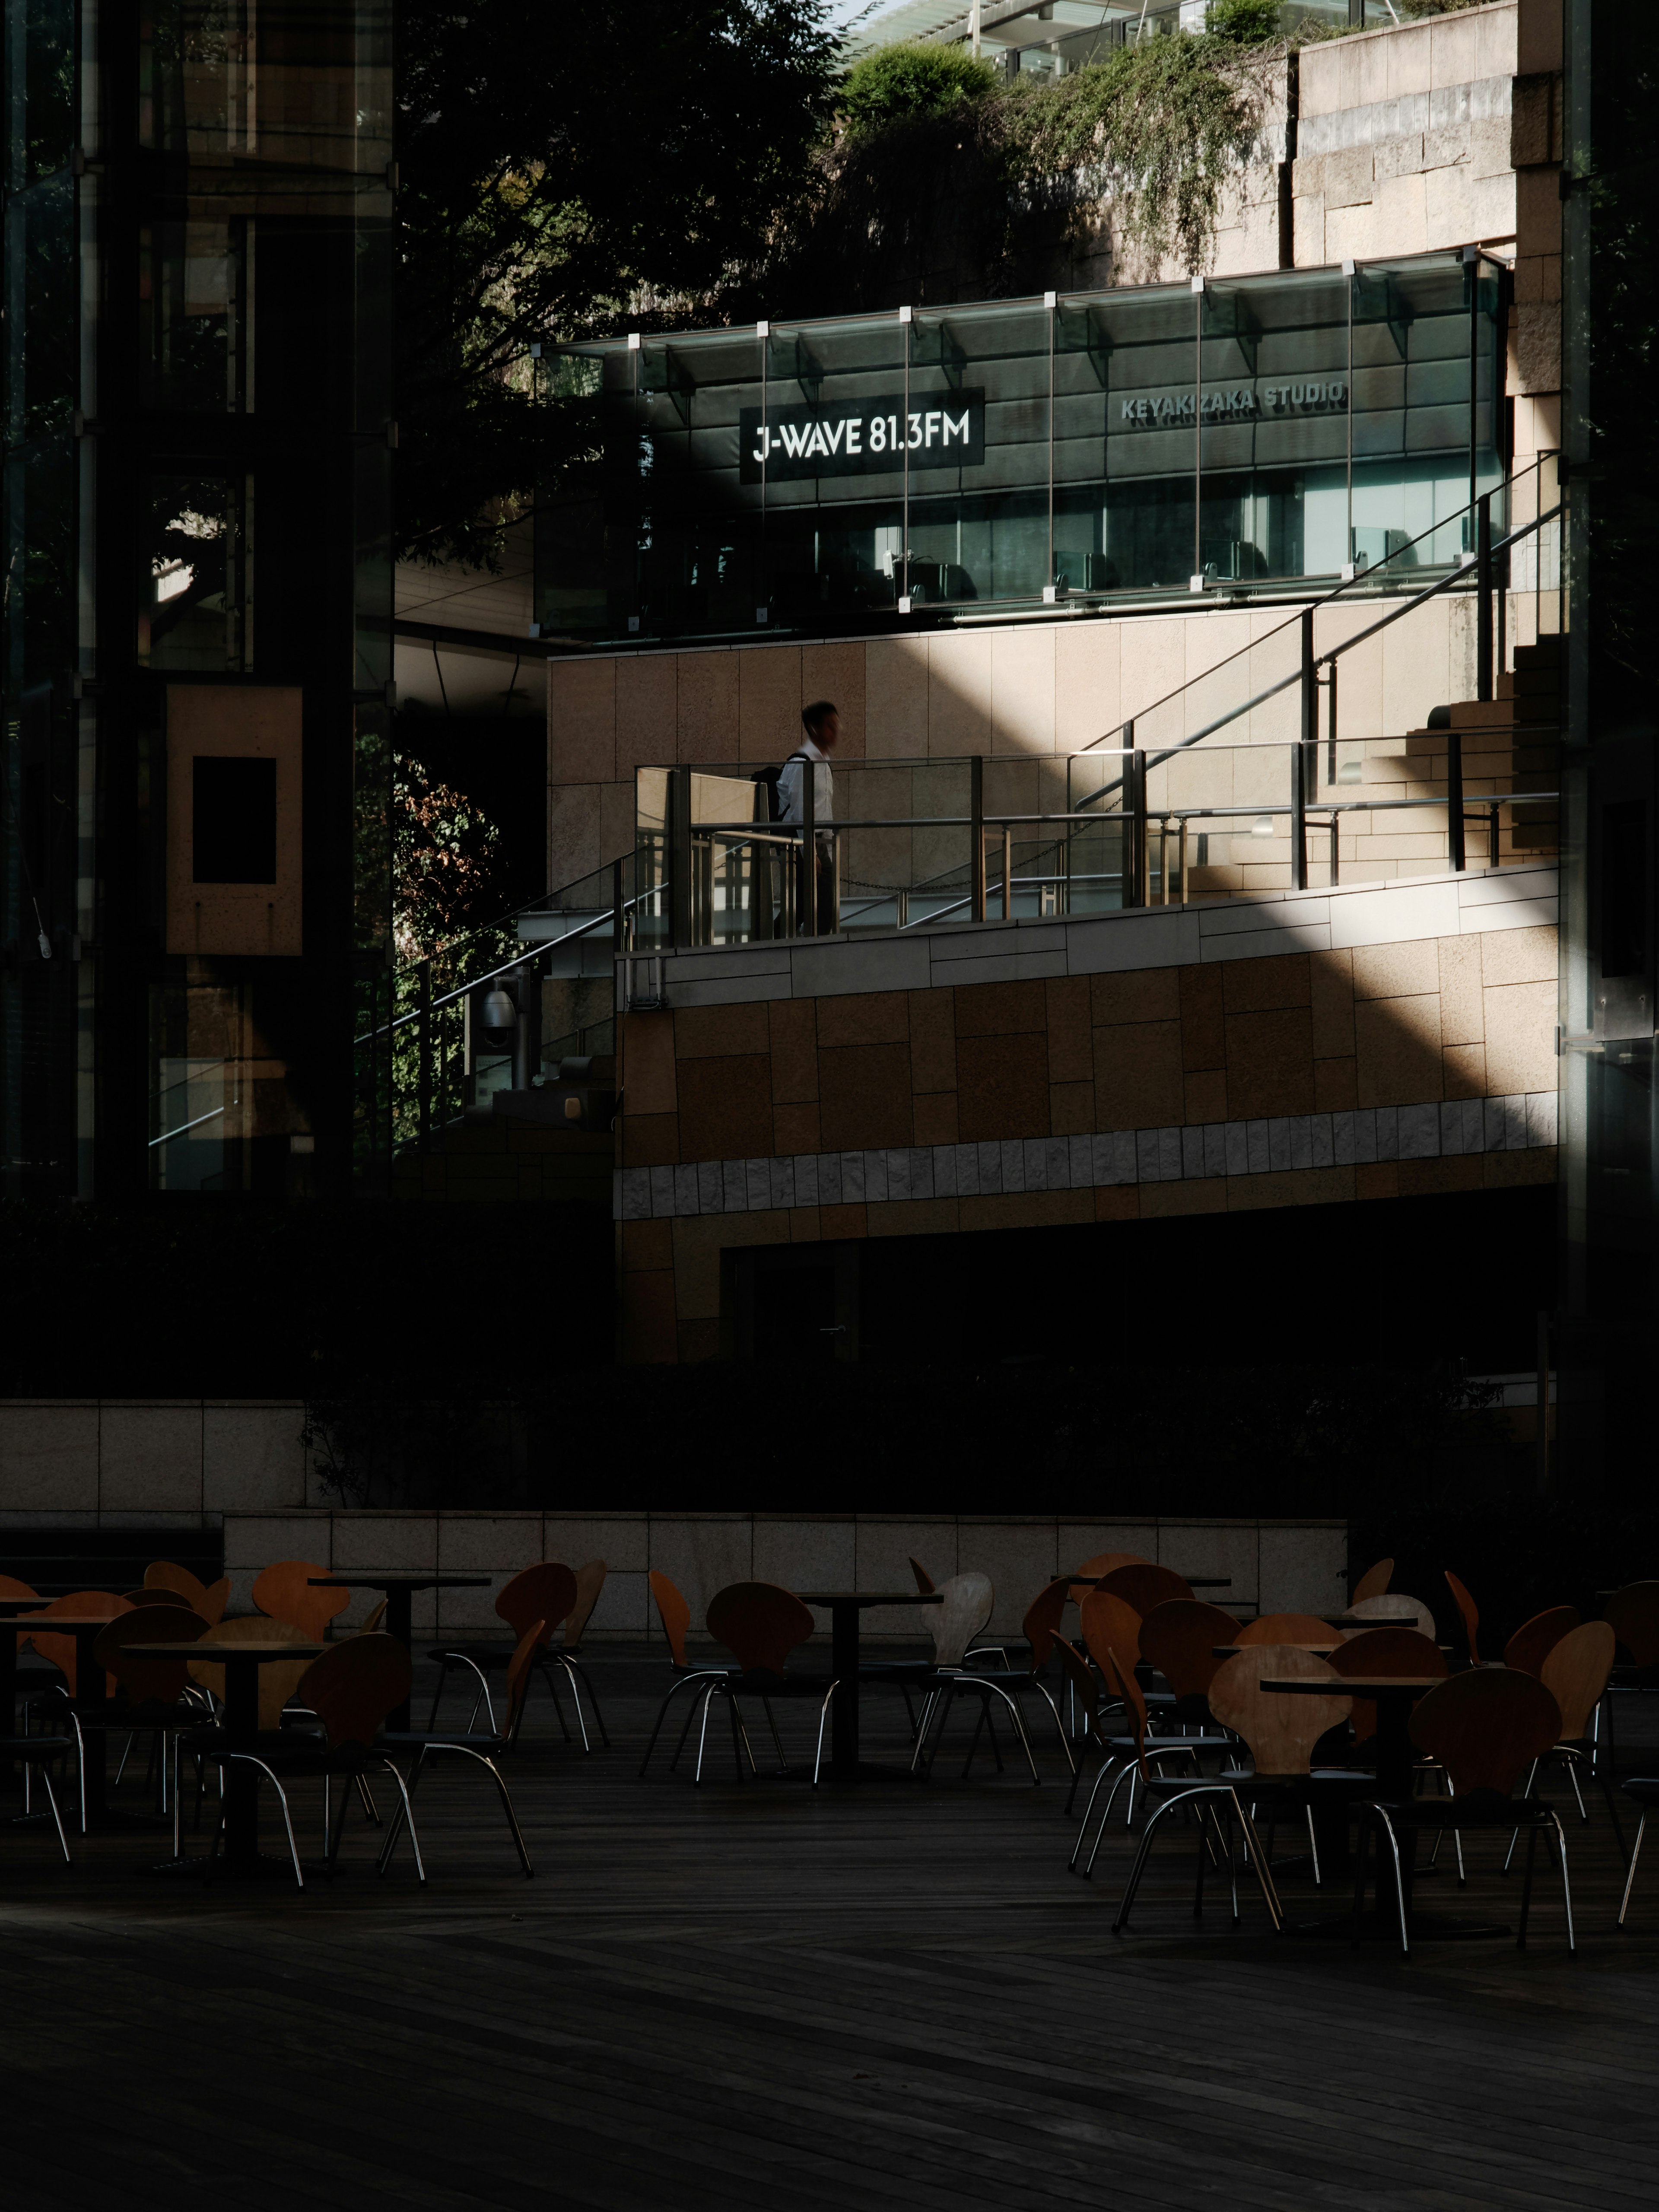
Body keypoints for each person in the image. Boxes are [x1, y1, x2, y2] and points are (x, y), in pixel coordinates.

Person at [776, 700, 839, 934]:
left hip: (817, 842)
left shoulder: (822, 764)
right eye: (830, 726)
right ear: (814, 730)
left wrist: (828, 849)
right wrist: (812, 853)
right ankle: (782, 941)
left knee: (810, 905)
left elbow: (824, 810)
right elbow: (801, 813)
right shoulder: (802, 764)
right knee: (816, 906)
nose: (836, 732)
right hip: (802, 844)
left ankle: (785, 940)